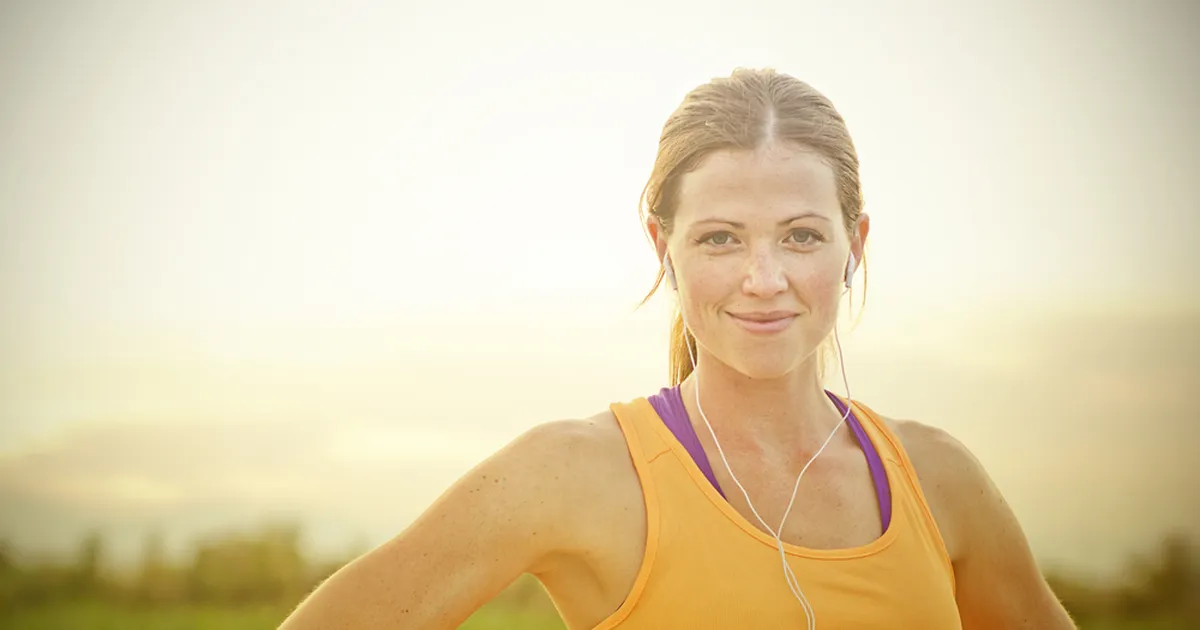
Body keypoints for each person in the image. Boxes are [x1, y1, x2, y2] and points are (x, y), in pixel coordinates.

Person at [278, 68, 1077, 629]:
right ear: (662, 245)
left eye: (801, 236)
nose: (763, 279)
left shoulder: (939, 481)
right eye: (721, 239)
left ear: (854, 244)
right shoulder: (572, 474)